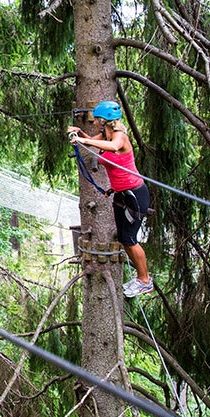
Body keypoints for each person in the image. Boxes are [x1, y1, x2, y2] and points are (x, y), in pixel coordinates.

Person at [67, 100, 153, 297]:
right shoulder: (105, 135)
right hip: (121, 194)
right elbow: (95, 141)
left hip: (135, 194)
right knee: (124, 238)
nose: (95, 122)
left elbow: (113, 147)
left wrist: (83, 141)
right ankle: (140, 279)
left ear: (103, 120)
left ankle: (145, 281)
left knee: (130, 239)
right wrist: (81, 134)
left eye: (97, 119)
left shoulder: (119, 137)